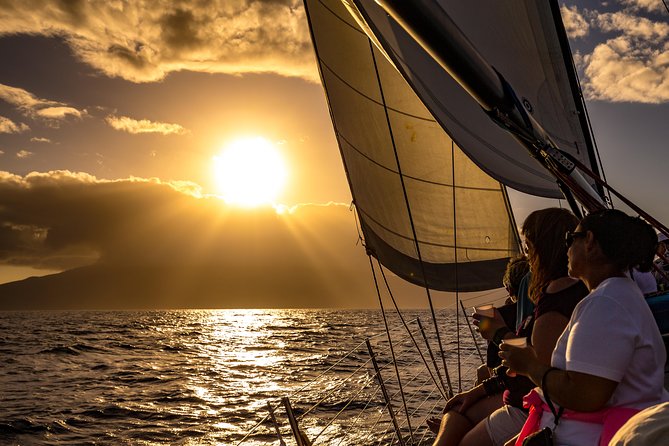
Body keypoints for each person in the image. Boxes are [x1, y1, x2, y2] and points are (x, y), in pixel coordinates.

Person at [500, 209, 669, 446]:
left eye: (571, 239)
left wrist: (530, 366)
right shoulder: (616, 295)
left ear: (589, 241)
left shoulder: (606, 303)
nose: (566, 249)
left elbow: (584, 395)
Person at [430, 208, 588, 446]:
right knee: (456, 412)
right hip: (519, 398)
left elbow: (537, 368)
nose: (527, 254)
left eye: (529, 246)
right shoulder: (568, 290)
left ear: (542, 248)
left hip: (532, 406)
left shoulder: (557, 296)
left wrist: (498, 333)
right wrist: (476, 392)